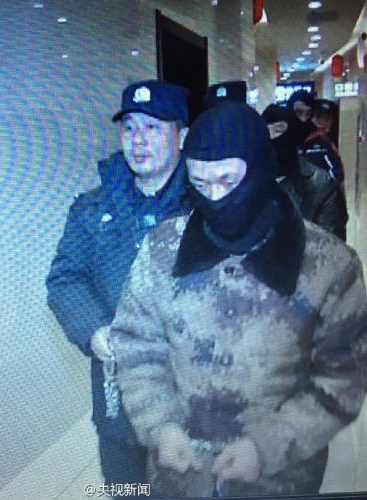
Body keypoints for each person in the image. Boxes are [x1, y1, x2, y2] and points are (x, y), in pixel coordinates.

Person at [110, 102, 367, 498]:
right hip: (180, 476)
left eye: (228, 180)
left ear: (260, 170)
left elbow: (343, 377)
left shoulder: (329, 264)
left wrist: (267, 447)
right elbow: (137, 346)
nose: (214, 197)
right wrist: (161, 427)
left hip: (280, 480)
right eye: (200, 183)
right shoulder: (162, 249)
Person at [46, 80, 190, 493]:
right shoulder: (93, 207)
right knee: (126, 489)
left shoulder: (204, 204)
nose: (138, 140)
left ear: (182, 135)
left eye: (152, 127)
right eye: (129, 127)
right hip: (119, 393)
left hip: (189, 394)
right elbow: (65, 278)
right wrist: (93, 329)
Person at [262, 103, 348, 241]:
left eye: (278, 130)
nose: (272, 137)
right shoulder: (247, 182)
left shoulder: (322, 185)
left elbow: (332, 245)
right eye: (266, 131)